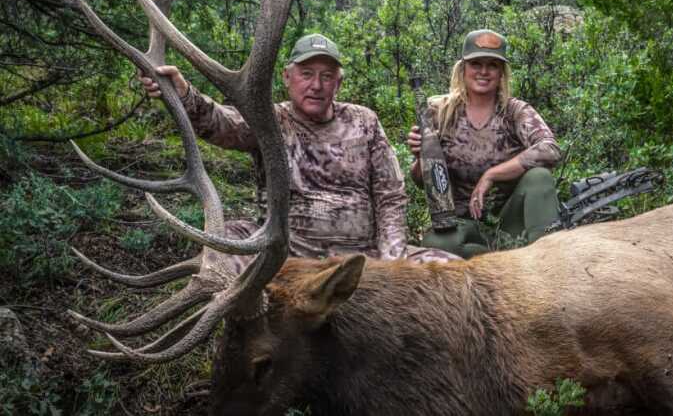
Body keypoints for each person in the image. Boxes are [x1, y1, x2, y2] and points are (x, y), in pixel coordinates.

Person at [141, 33, 456, 263]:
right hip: (287, 259)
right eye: (306, 74)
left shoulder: (365, 121)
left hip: (363, 259)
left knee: (452, 274)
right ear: (287, 77)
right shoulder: (270, 120)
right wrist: (184, 94)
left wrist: (391, 259)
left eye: (326, 76)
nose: (316, 85)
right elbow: (220, 123)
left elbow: (390, 195)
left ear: (338, 83)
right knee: (224, 248)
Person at [406, 29, 562, 258]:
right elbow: (421, 181)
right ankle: (496, 259)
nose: (484, 72)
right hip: (459, 221)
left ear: (501, 73)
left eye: (493, 65)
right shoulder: (439, 111)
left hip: (509, 219)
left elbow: (549, 149)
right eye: (476, 63)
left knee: (539, 177)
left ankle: (547, 261)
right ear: (463, 69)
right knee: (437, 246)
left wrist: (491, 175)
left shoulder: (514, 111)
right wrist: (421, 155)